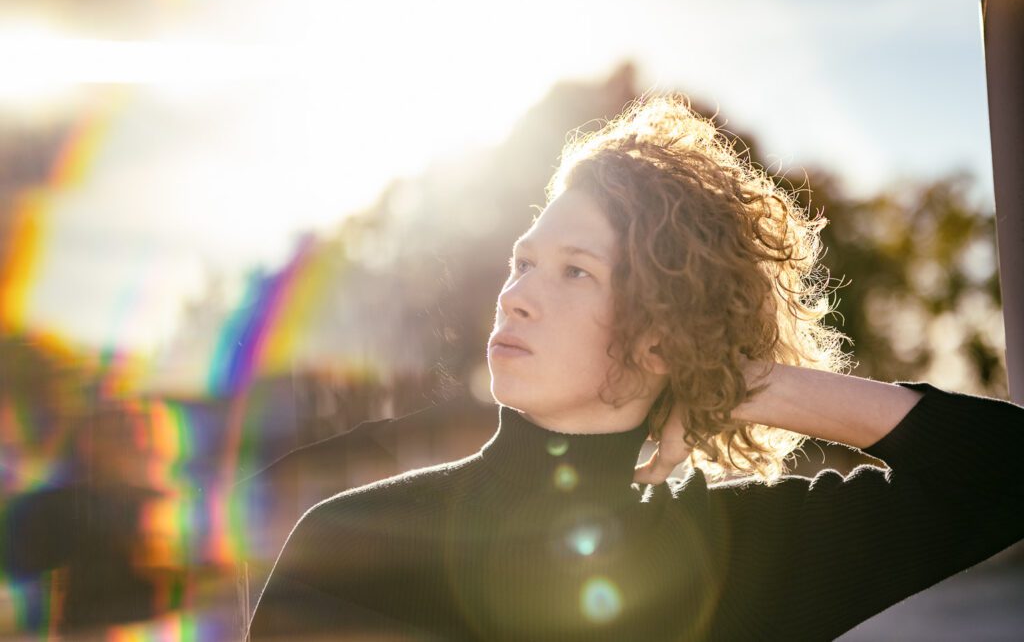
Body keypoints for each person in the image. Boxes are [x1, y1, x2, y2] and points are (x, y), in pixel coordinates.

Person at [247, 94, 1024, 641]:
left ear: (662, 335)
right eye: (525, 262)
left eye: (574, 271)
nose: (516, 296)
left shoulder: (747, 554)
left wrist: (754, 384)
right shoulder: (351, 542)